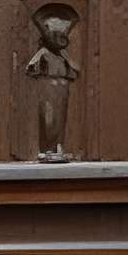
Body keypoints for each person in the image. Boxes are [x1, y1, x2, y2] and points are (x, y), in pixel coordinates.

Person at [25, 13, 77, 160]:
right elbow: (30, 68)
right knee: (49, 119)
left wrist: (68, 63)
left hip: (63, 87)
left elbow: (74, 71)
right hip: (47, 86)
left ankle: (59, 146)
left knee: (61, 118)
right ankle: (47, 148)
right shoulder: (43, 53)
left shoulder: (63, 55)